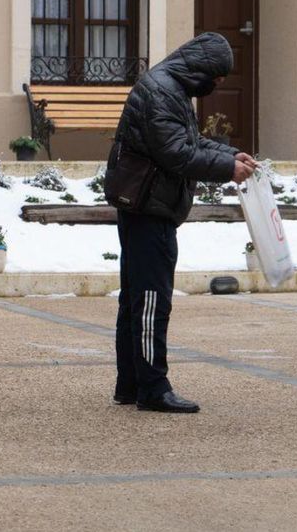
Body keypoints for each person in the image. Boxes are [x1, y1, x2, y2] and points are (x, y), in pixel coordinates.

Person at [106, 33, 258, 413]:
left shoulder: (168, 87)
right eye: (216, 77)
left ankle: (132, 384)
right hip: (149, 208)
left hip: (147, 204)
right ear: (200, 69)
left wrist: (228, 153)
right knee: (151, 300)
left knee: (136, 299)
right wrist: (227, 168)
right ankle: (153, 388)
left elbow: (186, 140)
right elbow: (176, 153)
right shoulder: (162, 91)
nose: (218, 85)